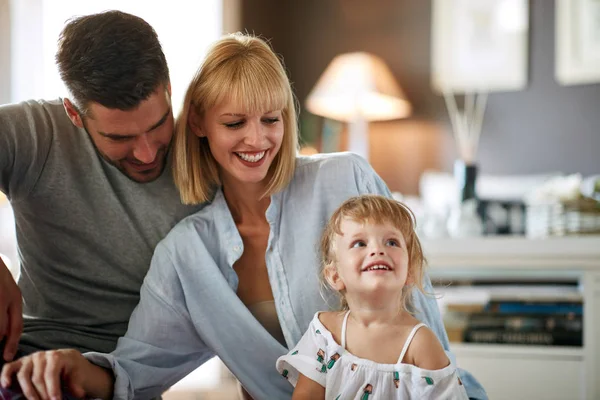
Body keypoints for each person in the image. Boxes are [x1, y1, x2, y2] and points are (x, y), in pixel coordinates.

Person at [1, 33, 487, 400]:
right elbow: (134, 369)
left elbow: (420, 321)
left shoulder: (344, 179)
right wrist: (70, 367)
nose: (257, 141)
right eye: (234, 123)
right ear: (197, 123)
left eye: (271, 120)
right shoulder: (187, 254)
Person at [0, 10, 203, 364]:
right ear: (74, 114)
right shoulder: (37, 134)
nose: (147, 152)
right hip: (21, 354)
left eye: (157, 125)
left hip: (119, 373)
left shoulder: (207, 153)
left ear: (169, 89)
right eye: (119, 137)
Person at [275, 195, 469, 399]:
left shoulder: (420, 344)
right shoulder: (324, 333)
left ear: (410, 270)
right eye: (360, 243)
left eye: (391, 242)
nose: (378, 250)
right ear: (335, 275)